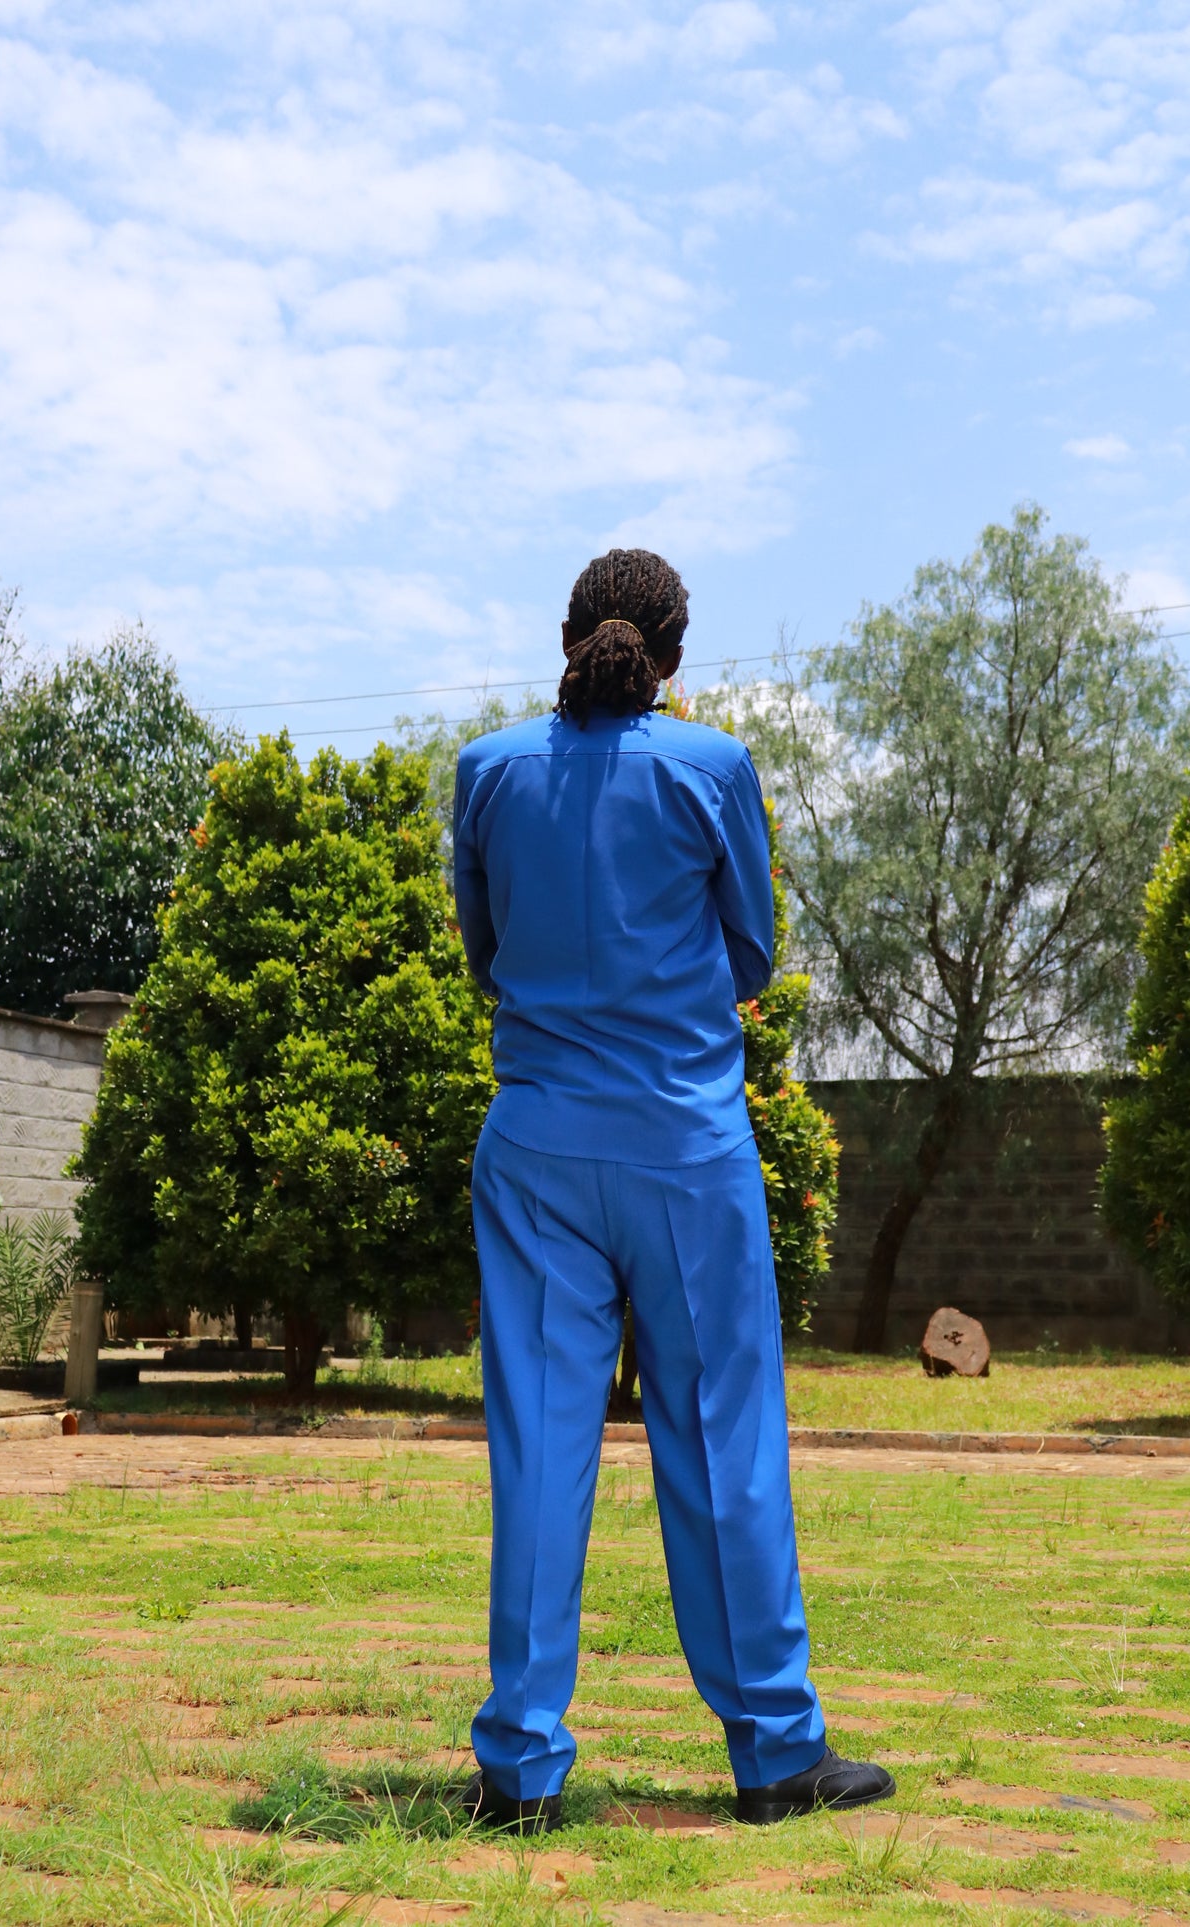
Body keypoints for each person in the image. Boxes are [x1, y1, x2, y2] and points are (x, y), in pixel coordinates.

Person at [451, 547, 894, 1832]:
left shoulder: (486, 773)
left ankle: (519, 1767)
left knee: (542, 1451)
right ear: (671, 654)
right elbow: (751, 954)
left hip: (536, 1154)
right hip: (685, 1153)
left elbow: (487, 957)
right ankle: (772, 1752)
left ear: (571, 632)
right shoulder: (711, 771)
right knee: (722, 1445)